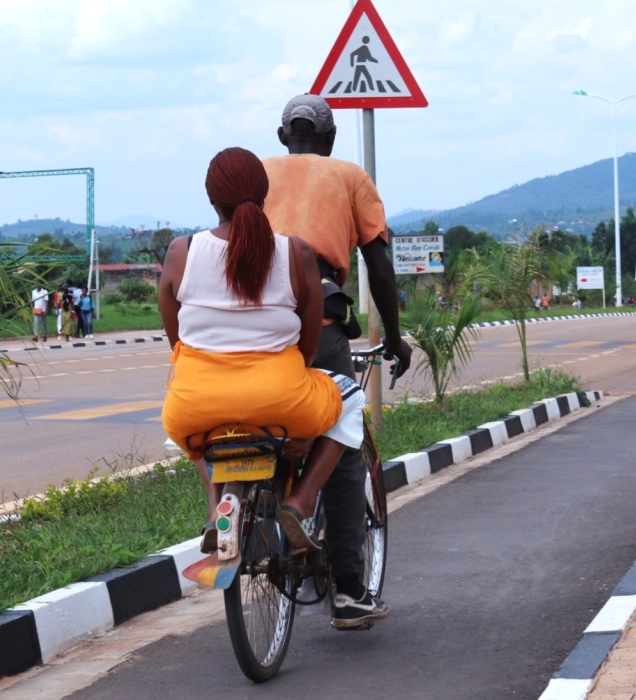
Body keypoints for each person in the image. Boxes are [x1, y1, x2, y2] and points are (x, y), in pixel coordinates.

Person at [159, 146, 366, 565]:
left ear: (210, 196)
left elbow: (176, 340)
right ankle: (301, 502)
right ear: (265, 195)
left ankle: (217, 504)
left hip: (195, 408)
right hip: (282, 403)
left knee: (188, 417)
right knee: (352, 397)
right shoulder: (296, 254)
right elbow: (307, 347)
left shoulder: (181, 252)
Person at [262, 94, 411, 629]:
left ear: (284, 137)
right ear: (328, 141)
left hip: (247, 327)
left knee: (256, 425)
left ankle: (253, 509)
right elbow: (380, 266)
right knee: (344, 442)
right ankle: (350, 592)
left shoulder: (253, 174)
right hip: (317, 322)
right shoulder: (349, 175)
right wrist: (394, 337)